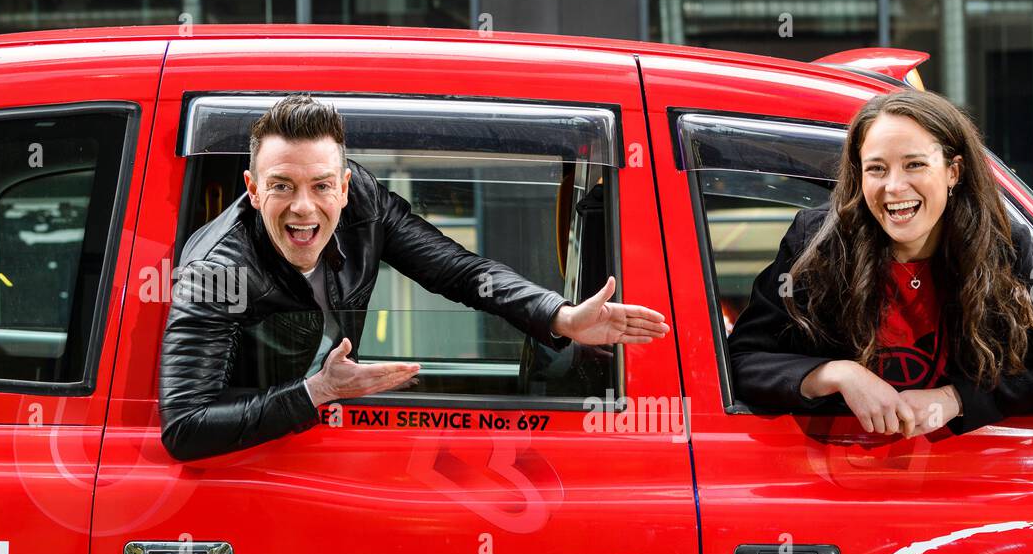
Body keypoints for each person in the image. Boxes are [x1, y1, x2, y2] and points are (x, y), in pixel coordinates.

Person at [159, 93, 668, 461]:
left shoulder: (366, 205)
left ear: (344, 186)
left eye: (320, 186)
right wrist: (316, 392)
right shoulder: (217, 271)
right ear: (251, 188)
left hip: (324, 439)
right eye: (281, 186)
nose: (302, 207)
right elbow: (186, 427)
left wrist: (558, 316)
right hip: (258, 458)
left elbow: (461, 272)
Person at [728, 89, 1033, 437]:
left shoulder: (1003, 247)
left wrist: (955, 399)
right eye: (876, 169)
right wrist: (838, 375)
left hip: (967, 470)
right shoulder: (816, 244)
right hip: (836, 469)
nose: (894, 186)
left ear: (953, 172)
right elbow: (742, 361)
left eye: (914, 164)